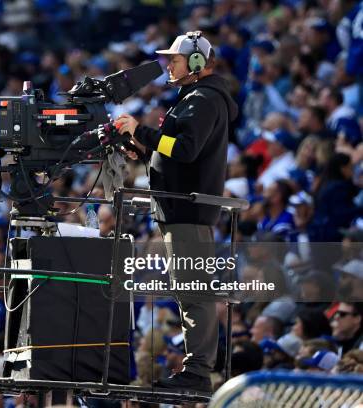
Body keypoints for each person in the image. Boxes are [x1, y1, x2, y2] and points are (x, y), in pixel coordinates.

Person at [116, 31, 238, 392]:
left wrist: (144, 132)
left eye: (175, 58)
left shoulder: (203, 99)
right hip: (180, 209)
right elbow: (175, 152)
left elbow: (186, 150)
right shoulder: (193, 98)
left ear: (197, 62)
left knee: (193, 292)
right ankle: (196, 369)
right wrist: (141, 149)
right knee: (187, 291)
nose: (169, 64)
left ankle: (198, 372)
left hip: (189, 210)